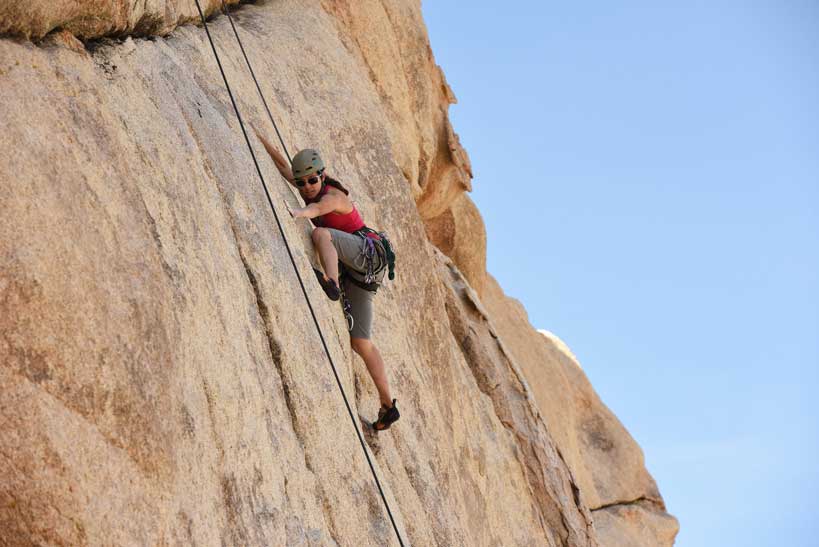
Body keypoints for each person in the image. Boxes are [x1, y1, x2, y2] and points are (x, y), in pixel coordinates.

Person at [254, 129, 400, 431]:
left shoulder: (335, 196)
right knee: (361, 342)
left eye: (312, 180)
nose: (307, 187)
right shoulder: (307, 183)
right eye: (302, 182)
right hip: (362, 272)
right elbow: (284, 166)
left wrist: (299, 212)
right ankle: (388, 405)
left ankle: (331, 283)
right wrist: (259, 137)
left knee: (320, 233)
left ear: (323, 176)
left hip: (365, 253)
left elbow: (319, 210)